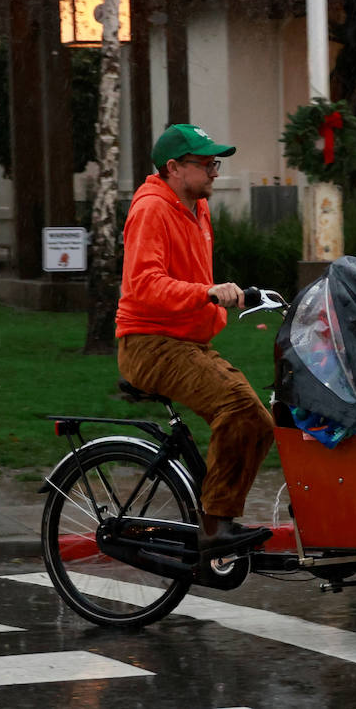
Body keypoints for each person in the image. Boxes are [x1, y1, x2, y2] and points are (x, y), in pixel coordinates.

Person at [116, 123, 274, 557]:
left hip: (186, 341)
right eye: (206, 164)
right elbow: (144, 285)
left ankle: (213, 535)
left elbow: (190, 277)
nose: (215, 171)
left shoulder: (196, 206)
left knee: (260, 421)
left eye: (215, 163)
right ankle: (214, 528)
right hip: (151, 343)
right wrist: (205, 292)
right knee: (239, 408)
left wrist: (234, 297)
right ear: (174, 168)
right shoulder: (152, 208)